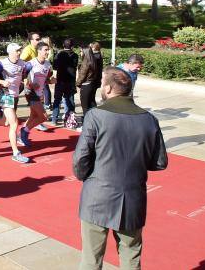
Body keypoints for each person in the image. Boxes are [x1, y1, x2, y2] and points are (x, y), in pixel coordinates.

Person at [73, 67, 168, 270]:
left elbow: (80, 159)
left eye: (101, 84)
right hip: (133, 197)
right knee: (131, 256)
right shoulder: (149, 119)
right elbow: (159, 162)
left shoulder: (96, 116)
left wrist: (86, 177)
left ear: (107, 88)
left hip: (97, 196)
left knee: (91, 259)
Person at [19, 41, 55, 148]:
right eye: (45, 50)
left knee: (34, 116)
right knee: (43, 117)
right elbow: (22, 76)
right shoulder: (31, 63)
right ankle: (24, 131)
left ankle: (20, 135)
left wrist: (51, 81)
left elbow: (46, 79)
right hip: (30, 92)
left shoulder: (48, 65)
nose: (47, 52)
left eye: (48, 50)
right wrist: (30, 84)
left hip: (39, 93)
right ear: (38, 51)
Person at [51, 38, 79, 126]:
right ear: (72, 46)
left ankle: (54, 119)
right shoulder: (75, 55)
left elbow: (54, 66)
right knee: (70, 100)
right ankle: (69, 119)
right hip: (70, 80)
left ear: (63, 45)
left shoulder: (59, 54)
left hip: (60, 80)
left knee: (57, 100)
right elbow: (75, 65)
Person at [77, 42, 104, 116]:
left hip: (86, 83)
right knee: (92, 101)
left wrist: (78, 83)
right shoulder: (96, 58)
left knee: (85, 105)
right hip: (93, 83)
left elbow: (82, 74)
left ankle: (87, 122)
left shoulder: (87, 61)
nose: (80, 53)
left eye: (81, 51)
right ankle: (95, 119)